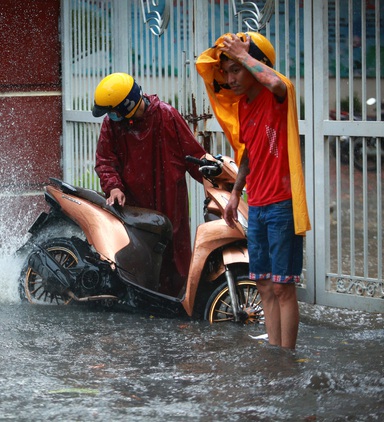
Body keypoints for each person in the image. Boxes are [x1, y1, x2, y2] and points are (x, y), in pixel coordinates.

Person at [196, 32, 311, 349]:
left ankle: (287, 357)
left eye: (236, 69)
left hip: (282, 205)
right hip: (257, 206)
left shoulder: (277, 96)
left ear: (255, 65)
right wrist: (235, 193)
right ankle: (275, 351)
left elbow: (277, 84)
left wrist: (245, 55)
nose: (230, 78)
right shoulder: (243, 107)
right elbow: (247, 155)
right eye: (228, 71)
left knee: (282, 287)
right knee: (262, 283)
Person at [92, 72, 206, 296]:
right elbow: (105, 160)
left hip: (170, 199)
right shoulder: (112, 125)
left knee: (175, 256)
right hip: (134, 206)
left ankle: (177, 302)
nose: (111, 117)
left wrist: (214, 183)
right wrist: (113, 186)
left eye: (114, 112)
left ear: (128, 106)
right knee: (139, 256)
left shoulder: (167, 115)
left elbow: (193, 156)